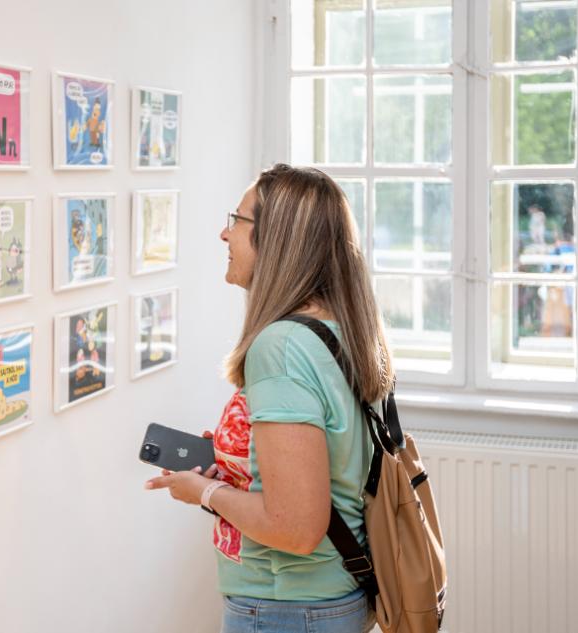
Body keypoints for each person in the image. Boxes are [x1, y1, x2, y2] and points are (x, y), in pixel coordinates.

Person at [145, 164, 393, 633]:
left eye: (237, 220)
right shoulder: (338, 329)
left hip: (288, 609)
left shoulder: (281, 348)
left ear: (276, 238)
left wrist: (205, 492)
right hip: (332, 597)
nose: (224, 233)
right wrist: (237, 464)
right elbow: (332, 466)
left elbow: (295, 528)